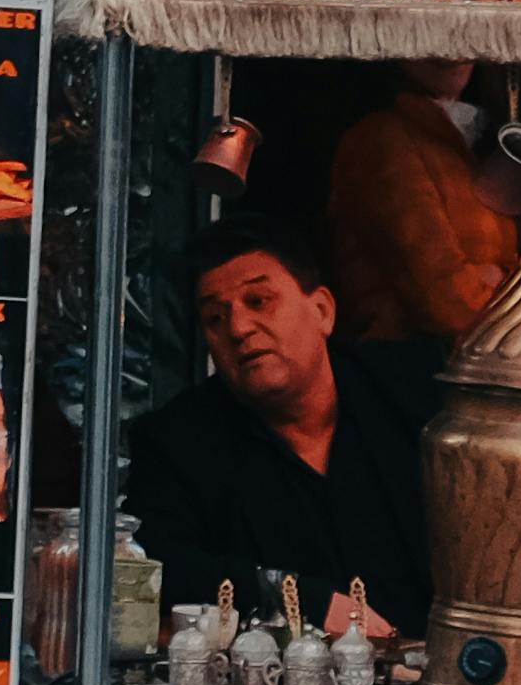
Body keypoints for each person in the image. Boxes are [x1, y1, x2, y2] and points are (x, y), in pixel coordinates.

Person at [127, 201, 434, 632]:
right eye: (216, 317)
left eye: (259, 300)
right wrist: (300, 601)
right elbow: (152, 564)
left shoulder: (410, 396)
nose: (238, 328)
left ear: (322, 311)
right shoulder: (180, 440)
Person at [324, 63, 521, 345]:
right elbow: (449, 304)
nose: (451, 53)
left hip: (488, 361)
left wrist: (504, 278)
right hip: (410, 370)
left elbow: (518, 265)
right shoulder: (383, 140)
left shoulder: (483, 139)